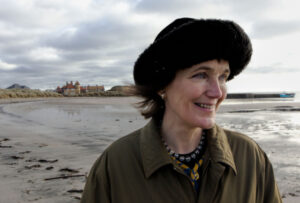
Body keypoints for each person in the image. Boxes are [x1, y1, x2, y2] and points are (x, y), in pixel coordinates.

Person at [81, 18, 282, 203]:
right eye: (201, 75)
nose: (217, 92)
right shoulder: (115, 165)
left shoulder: (249, 156)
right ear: (162, 86)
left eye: (223, 77)